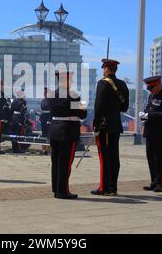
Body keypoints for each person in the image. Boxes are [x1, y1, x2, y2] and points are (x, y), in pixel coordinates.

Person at [92, 59, 129, 196]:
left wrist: (96, 124)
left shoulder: (103, 83)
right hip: (116, 125)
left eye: (103, 68)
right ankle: (113, 187)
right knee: (114, 156)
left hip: (104, 126)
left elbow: (99, 106)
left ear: (106, 69)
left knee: (104, 157)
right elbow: (124, 107)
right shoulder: (123, 84)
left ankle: (104, 187)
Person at [48, 71, 87, 200]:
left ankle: (56, 189)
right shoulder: (73, 95)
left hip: (54, 130)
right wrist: (84, 108)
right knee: (65, 162)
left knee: (56, 162)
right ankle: (63, 191)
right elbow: (82, 114)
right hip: (67, 131)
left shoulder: (52, 94)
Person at [141, 76, 162, 193]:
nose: (151, 91)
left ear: (159, 84)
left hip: (161, 132)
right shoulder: (151, 96)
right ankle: (154, 182)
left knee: (161, 159)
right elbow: (148, 109)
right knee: (151, 158)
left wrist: (149, 115)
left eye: (152, 88)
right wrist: (144, 115)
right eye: (149, 89)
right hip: (150, 131)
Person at [40, 87, 52, 154]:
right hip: (43, 117)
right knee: (43, 134)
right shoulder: (43, 100)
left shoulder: (51, 100)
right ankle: (43, 149)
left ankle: (48, 149)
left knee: (48, 134)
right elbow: (42, 108)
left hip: (49, 117)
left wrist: (49, 120)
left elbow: (52, 111)